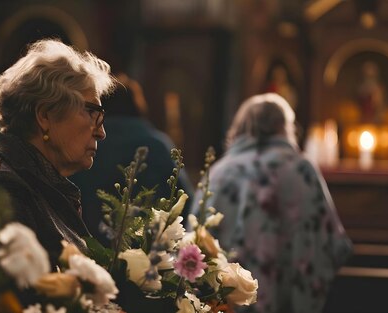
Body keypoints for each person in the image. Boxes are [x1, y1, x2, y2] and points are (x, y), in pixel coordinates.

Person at [0, 39, 116, 266]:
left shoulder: (33, 183)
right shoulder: (0, 192)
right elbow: (16, 299)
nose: (101, 132)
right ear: (45, 116)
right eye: (92, 113)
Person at [191, 93, 352, 313]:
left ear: (240, 126)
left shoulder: (220, 172)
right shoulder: (301, 169)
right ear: (284, 127)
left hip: (226, 305)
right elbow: (334, 244)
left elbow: (192, 244)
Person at [70, 73, 194, 245]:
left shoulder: (84, 142)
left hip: (86, 249)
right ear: (137, 105)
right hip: (148, 257)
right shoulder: (157, 144)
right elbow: (184, 201)